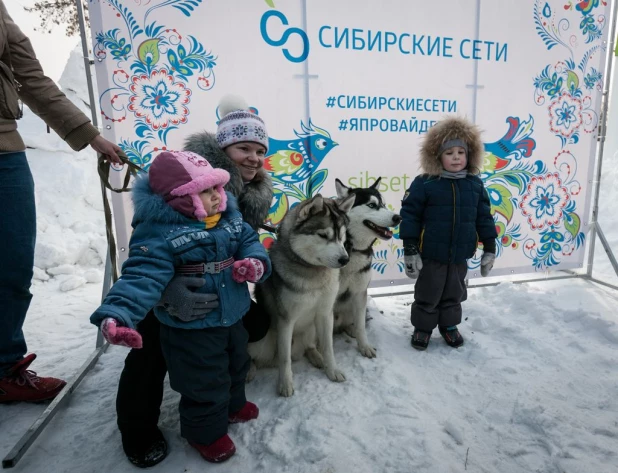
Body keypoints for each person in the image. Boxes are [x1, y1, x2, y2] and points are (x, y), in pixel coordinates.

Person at [115, 96, 274, 468]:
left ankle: (227, 395)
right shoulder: (181, 184)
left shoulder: (249, 192)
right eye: (243, 148)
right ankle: (137, 428)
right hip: (168, 287)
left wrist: (253, 262)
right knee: (150, 352)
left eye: (259, 150)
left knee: (252, 327)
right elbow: (148, 254)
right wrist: (166, 292)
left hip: (218, 291)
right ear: (221, 149)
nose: (253, 158)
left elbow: (243, 240)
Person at [0, 0, 122, 403]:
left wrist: (91, 136)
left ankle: (4, 368)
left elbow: (31, 78)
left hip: (3, 149)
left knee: (12, 264)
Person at [399, 116, 498, 351]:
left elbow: (484, 217)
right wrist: (410, 249)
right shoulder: (425, 183)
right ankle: (423, 328)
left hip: (459, 254)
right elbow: (410, 216)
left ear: (469, 155)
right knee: (428, 292)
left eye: (460, 152)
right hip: (431, 254)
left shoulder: (474, 184)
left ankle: (449, 325)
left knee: (454, 292)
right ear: (437, 156)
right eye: (449, 152)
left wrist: (490, 249)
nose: (456, 157)